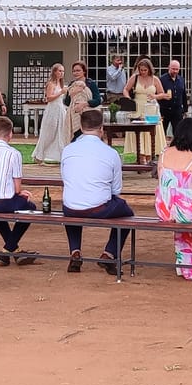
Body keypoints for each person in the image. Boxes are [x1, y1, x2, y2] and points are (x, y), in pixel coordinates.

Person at [59, 109, 135, 275]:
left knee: (74, 206)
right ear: (101, 128)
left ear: (81, 127)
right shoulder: (111, 153)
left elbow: (65, 178)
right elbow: (116, 190)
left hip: (70, 206)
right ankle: (110, 252)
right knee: (127, 213)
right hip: (99, 207)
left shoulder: (68, 150)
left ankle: (75, 251)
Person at [0, 114, 39, 265]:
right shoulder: (13, 154)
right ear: (11, 134)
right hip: (2, 202)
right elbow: (17, 188)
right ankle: (7, 249)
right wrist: (20, 193)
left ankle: (13, 250)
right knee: (30, 208)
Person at [156, 116, 192, 280]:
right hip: (188, 212)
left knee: (186, 215)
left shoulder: (164, 154)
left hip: (165, 210)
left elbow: (162, 182)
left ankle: (185, 261)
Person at [33, 63, 71, 162]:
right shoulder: (51, 84)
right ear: (54, 72)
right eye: (60, 71)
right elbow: (49, 98)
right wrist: (60, 92)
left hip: (60, 109)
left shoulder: (61, 84)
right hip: (52, 109)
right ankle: (39, 155)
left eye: (63, 71)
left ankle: (61, 155)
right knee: (49, 133)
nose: (62, 73)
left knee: (61, 132)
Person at [127, 58, 165, 124]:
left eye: (145, 70)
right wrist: (128, 99)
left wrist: (155, 96)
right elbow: (125, 89)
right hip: (137, 107)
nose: (143, 72)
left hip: (151, 107)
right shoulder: (135, 77)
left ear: (149, 69)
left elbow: (162, 93)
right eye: (141, 70)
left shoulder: (155, 79)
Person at [161, 59, 189, 135]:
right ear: (169, 68)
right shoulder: (162, 79)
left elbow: (184, 95)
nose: (175, 71)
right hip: (164, 110)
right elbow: (159, 94)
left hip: (177, 111)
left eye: (177, 69)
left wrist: (185, 109)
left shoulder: (181, 80)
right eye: (173, 69)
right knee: (162, 132)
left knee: (178, 133)